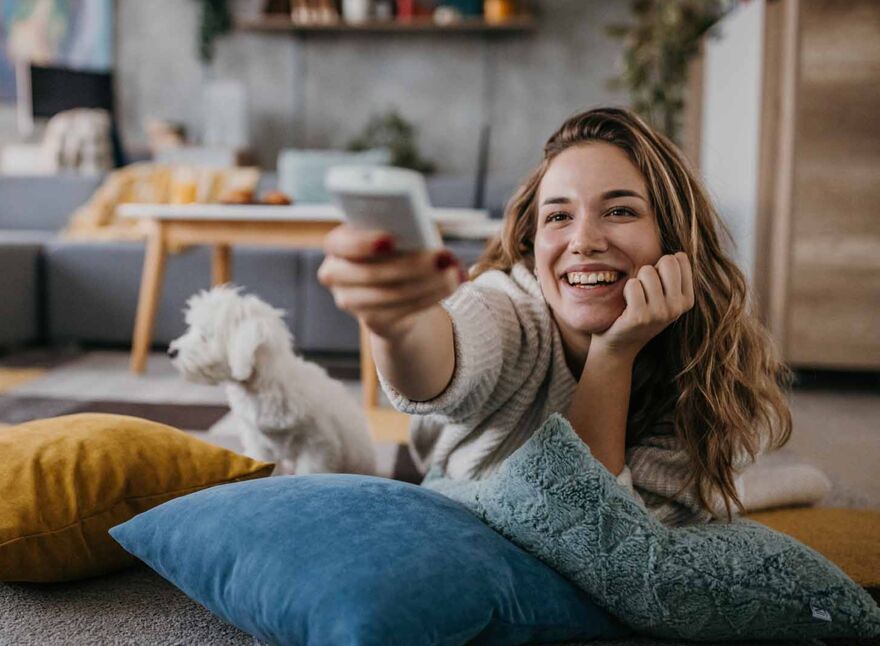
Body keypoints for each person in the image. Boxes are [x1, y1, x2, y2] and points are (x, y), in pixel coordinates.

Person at [317, 107, 792, 526]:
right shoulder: (511, 307)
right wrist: (398, 323)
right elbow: (447, 350)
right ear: (532, 242)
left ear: (675, 239)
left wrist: (613, 354)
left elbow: (593, 529)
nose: (583, 241)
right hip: (455, 488)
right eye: (559, 217)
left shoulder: (704, 366)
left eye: (620, 211)